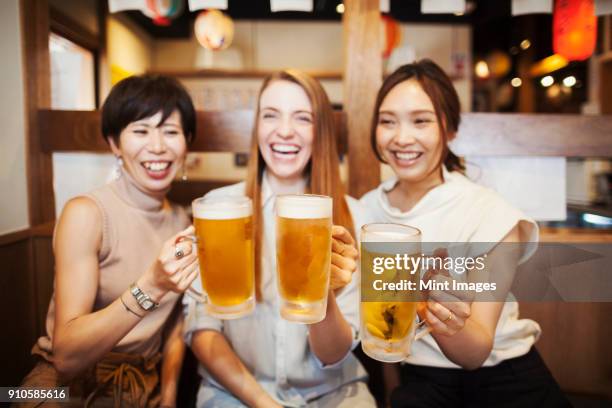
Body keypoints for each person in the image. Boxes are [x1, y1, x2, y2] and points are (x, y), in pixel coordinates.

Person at [360, 59, 570, 407]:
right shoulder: (364, 211)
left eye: (421, 120)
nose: (401, 138)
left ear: (450, 129)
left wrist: (437, 312)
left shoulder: (490, 213)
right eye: (387, 121)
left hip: (504, 379)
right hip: (422, 382)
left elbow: (476, 351)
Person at [184, 69, 376, 407]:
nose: (284, 131)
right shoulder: (218, 209)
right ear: (256, 125)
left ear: (322, 132)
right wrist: (263, 403)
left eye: (303, 118)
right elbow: (204, 331)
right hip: (236, 390)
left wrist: (324, 291)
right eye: (270, 115)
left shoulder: (355, 218)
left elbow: (333, 354)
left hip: (331, 392)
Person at [20, 75, 200, 407]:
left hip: (142, 386)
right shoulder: (86, 213)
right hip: (61, 388)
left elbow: (175, 324)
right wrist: (151, 286)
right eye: (141, 130)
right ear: (114, 143)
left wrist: (170, 394)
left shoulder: (182, 222)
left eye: (171, 132)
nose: (158, 146)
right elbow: (66, 357)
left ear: (186, 142)